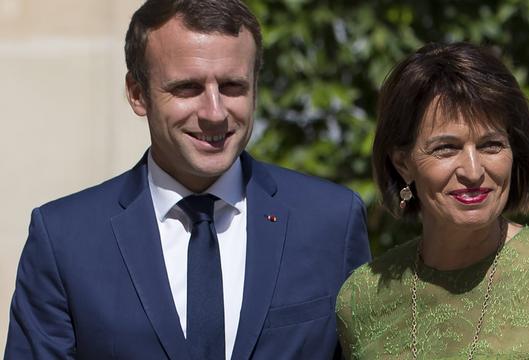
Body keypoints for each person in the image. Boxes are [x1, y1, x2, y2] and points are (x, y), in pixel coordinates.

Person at [5, 0, 370, 359]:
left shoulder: (331, 222)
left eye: (231, 86)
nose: (214, 112)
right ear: (137, 94)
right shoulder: (64, 239)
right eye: (187, 88)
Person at [336, 42, 529, 359]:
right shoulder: (362, 297)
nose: (473, 170)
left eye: (491, 145)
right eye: (446, 148)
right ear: (403, 163)